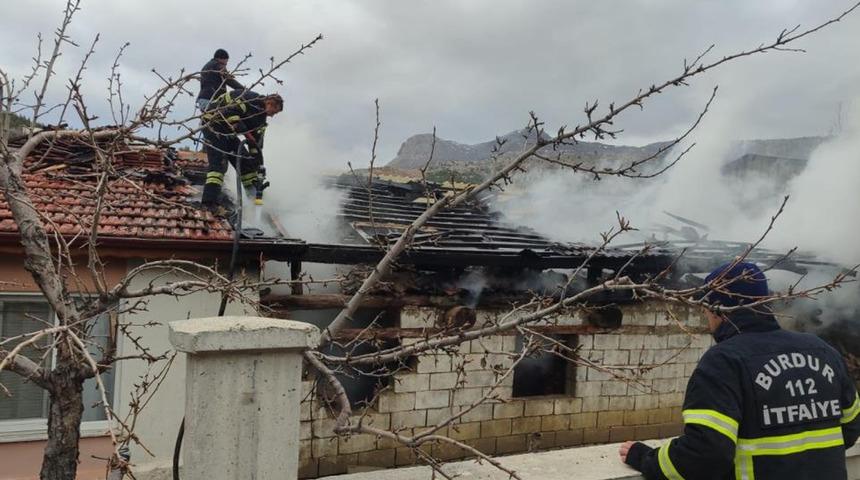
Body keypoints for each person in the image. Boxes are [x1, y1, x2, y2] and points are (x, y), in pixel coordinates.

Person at [619, 261, 860, 479]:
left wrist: (645, 458)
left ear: (716, 309)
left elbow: (705, 454)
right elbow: (850, 428)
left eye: (705, 310)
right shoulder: (821, 350)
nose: (706, 318)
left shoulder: (724, 362)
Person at [200, 89, 282, 210]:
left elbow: (256, 147)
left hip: (228, 132)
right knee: (219, 165)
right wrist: (248, 135)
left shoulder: (260, 119)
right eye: (274, 112)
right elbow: (231, 115)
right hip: (213, 125)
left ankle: (254, 198)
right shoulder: (248, 98)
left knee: (246, 163)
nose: (272, 116)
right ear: (269, 103)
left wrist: (258, 167)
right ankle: (208, 203)